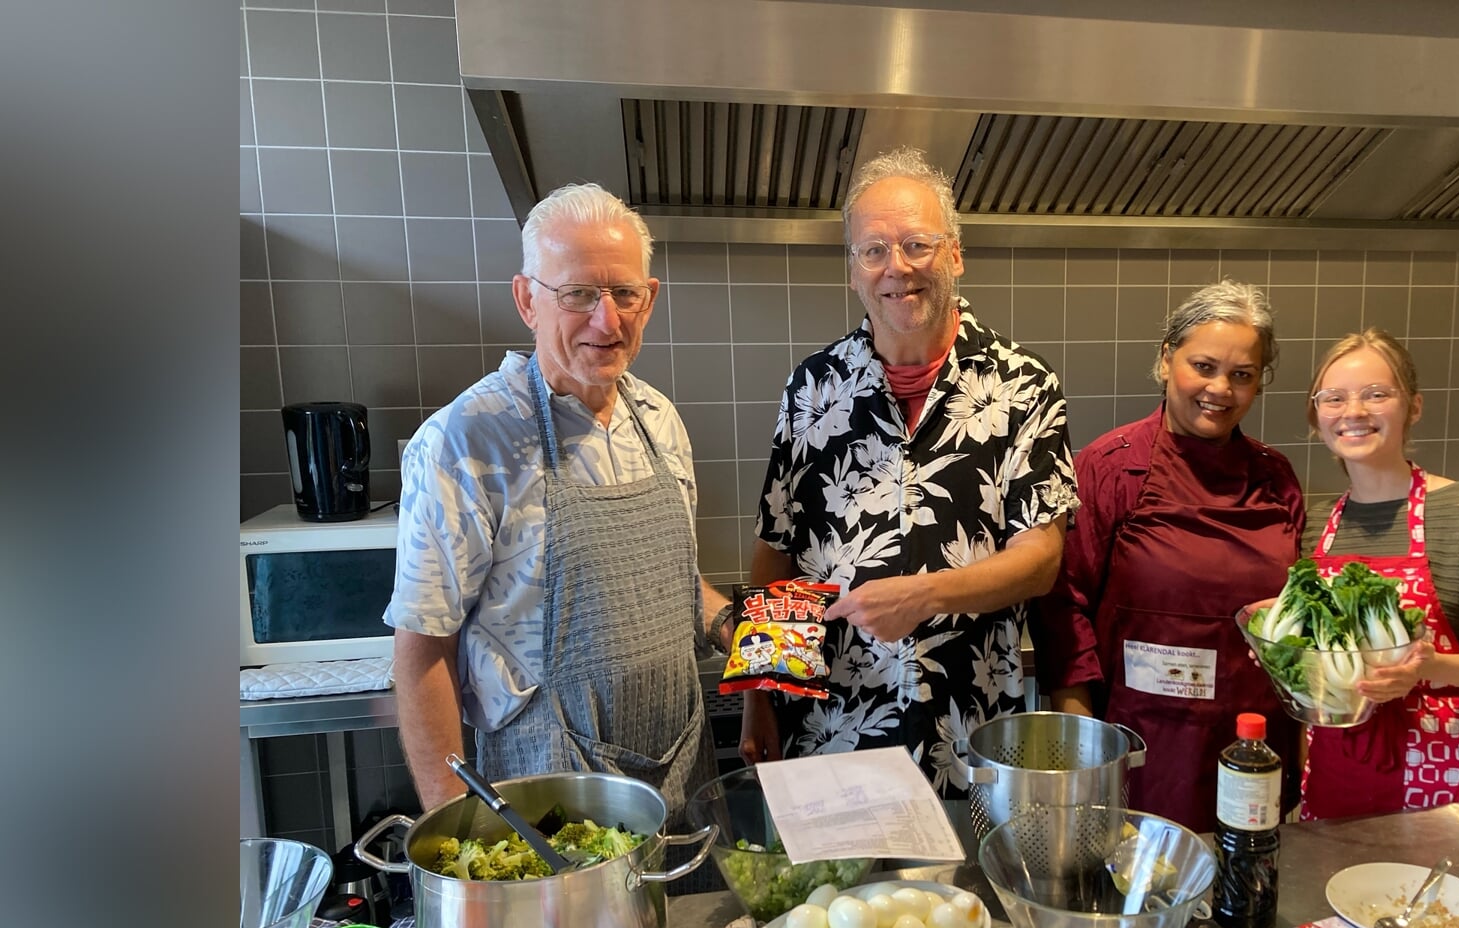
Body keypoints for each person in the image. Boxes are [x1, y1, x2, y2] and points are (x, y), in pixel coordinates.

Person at [384, 182, 733, 815]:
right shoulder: (465, 441)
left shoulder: (659, 421)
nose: (607, 320)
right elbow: (422, 648)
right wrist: (455, 827)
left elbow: (672, 582)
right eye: (577, 294)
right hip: (544, 789)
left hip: (680, 774)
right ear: (527, 299)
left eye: (625, 293)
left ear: (648, 300)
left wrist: (736, 626)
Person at [739, 146, 1079, 794]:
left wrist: (923, 594)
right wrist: (759, 693)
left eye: (917, 244)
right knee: (833, 899)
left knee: (960, 897)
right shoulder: (813, 387)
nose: (897, 268)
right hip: (829, 730)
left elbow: (1041, 560)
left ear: (954, 255)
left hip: (968, 729)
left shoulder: (1023, 385)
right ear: (853, 270)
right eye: (874, 251)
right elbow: (777, 550)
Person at [1031, 281, 1307, 833]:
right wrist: (1086, 751)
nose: (1220, 389)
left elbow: (1293, 625)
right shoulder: (1108, 469)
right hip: (1144, 752)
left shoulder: (1277, 479)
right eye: (1203, 366)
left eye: (1242, 375)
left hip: (1255, 749)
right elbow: (1063, 610)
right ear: (1165, 359)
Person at [1298, 328, 1459, 840]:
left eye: (1377, 394)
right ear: (1316, 415)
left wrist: (1430, 668)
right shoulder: (1315, 525)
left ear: (1412, 408)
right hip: (1339, 773)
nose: (1354, 411)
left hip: (1452, 782)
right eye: (1335, 398)